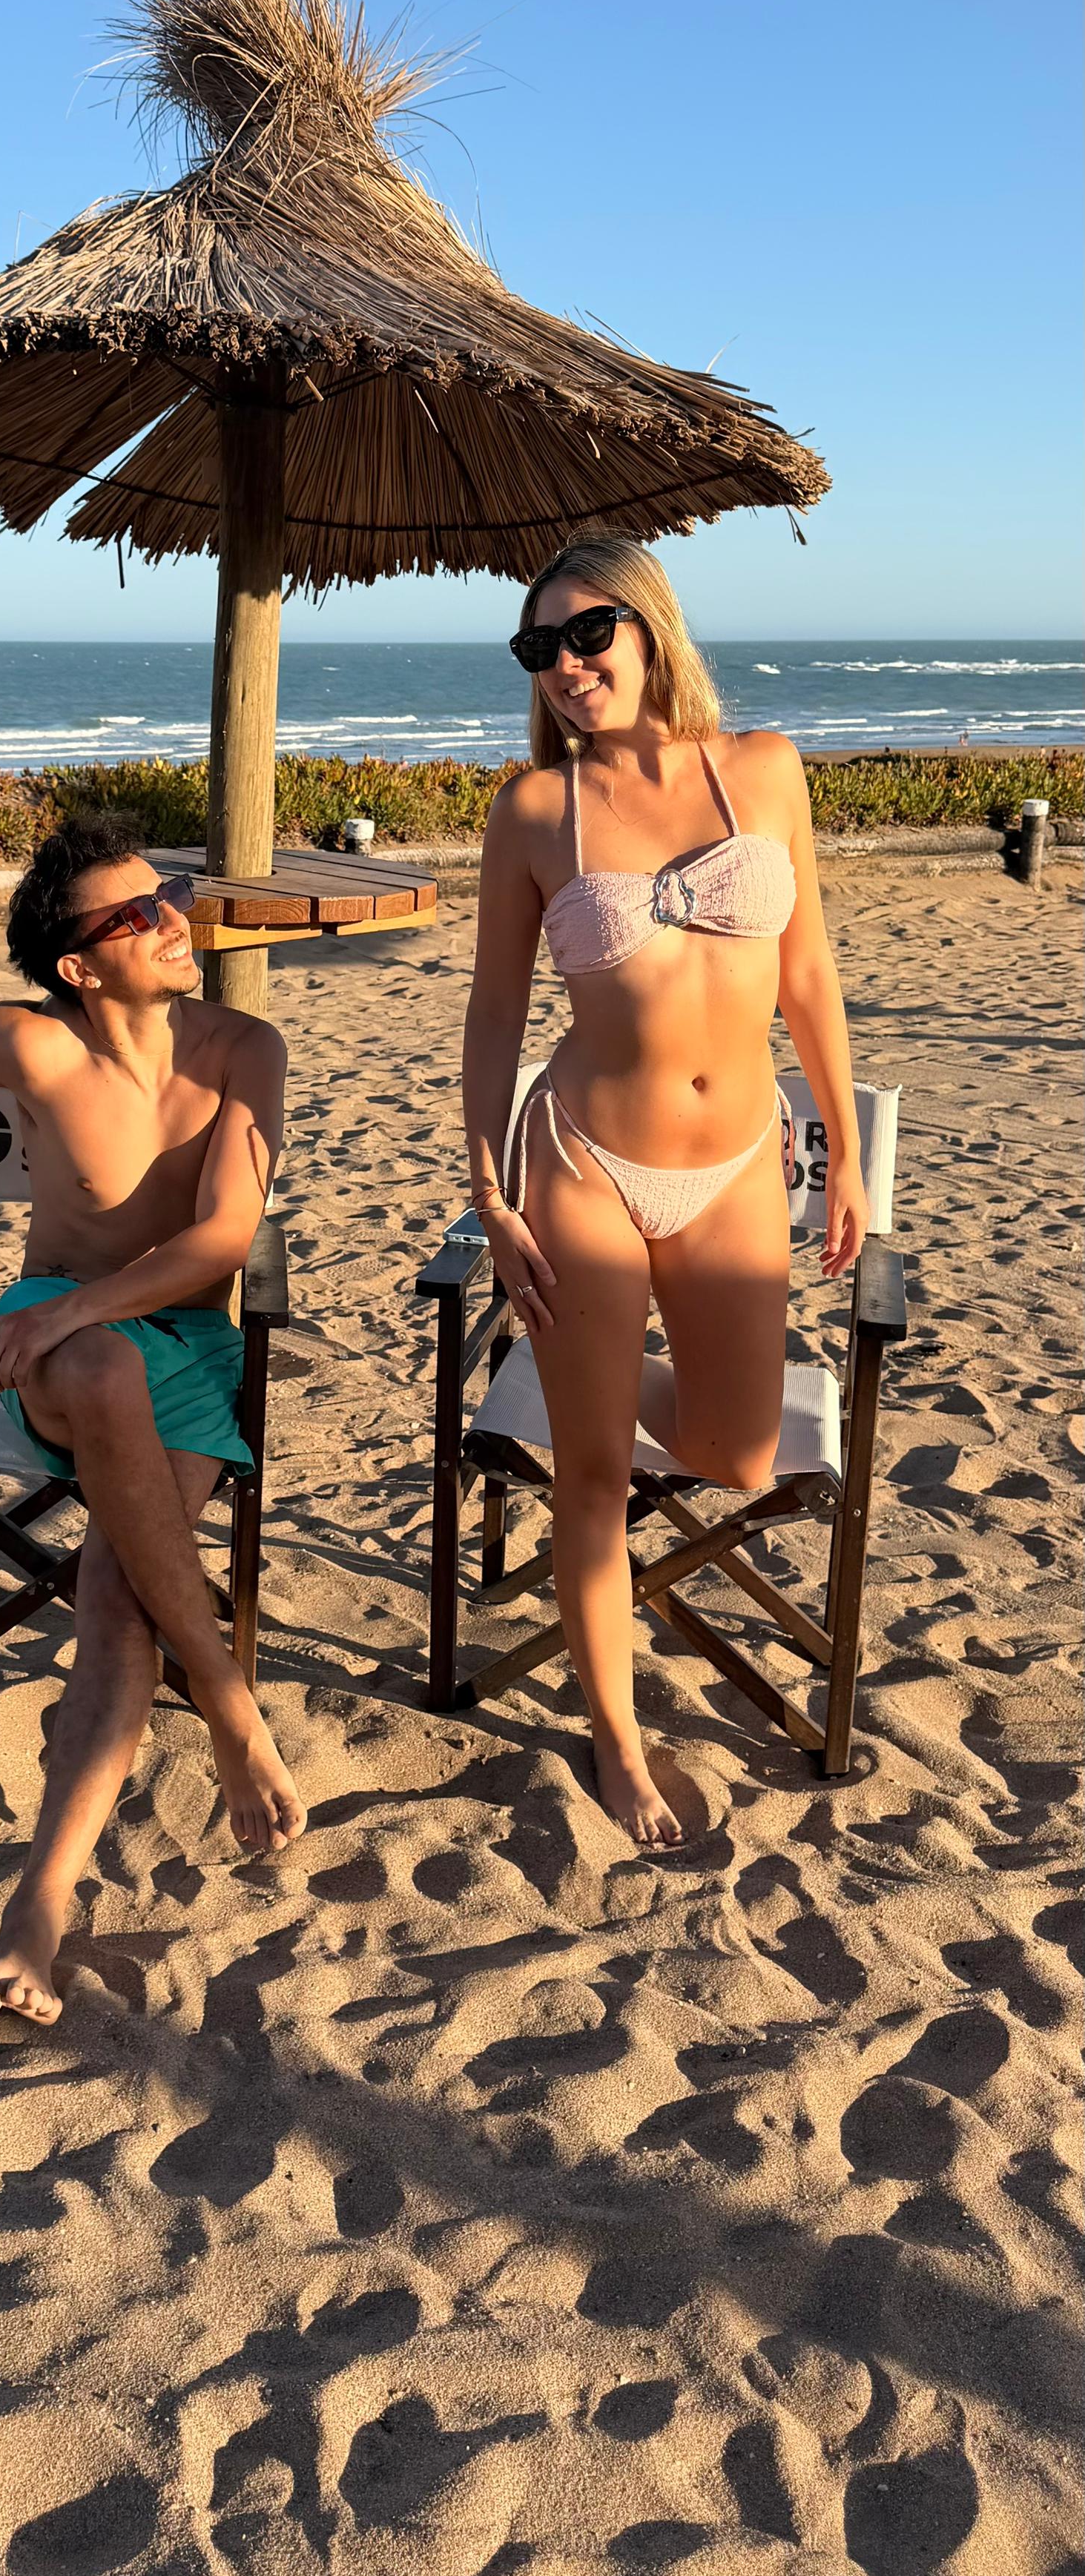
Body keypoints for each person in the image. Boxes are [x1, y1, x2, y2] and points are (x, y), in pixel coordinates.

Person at [0, 810, 303, 2022]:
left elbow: (225, 1238)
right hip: (60, 1336)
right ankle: (229, 1701)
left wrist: (84, 1306)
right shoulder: (32, 1050)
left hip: (183, 1342)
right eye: (138, 913)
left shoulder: (246, 1048)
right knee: (93, 1372)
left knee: (111, 1589)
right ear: (83, 968)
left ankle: (40, 1904)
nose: (173, 918)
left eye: (172, 894)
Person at [464, 539, 869, 1846]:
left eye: (588, 638)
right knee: (592, 1478)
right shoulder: (534, 812)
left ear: (647, 629)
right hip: (582, 1157)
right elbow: (491, 1015)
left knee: (735, 1452)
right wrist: (489, 1190)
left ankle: (585, 1373)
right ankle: (619, 1750)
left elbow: (807, 968)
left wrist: (846, 1147)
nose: (570, 669)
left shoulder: (763, 767)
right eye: (542, 652)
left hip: (743, 1158)